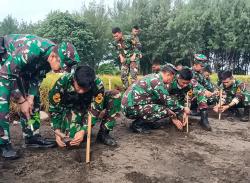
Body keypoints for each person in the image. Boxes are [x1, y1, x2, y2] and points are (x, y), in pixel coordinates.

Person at [0, 34, 80, 159]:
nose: (62, 71)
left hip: (19, 70)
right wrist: (21, 101)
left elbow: (36, 77)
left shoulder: (49, 57)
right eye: (61, 66)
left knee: (34, 101)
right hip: (4, 63)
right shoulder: (31, 50)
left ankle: (31, 136)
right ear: (54, 57)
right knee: (2, 100)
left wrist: (30, 97)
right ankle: (3, 144)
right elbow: (6, 74)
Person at [49, 65, 121, 147]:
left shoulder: (97, 83)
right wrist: (57, 132)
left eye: (85, 88)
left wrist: (83, 130)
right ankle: (74, 127)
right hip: (73, 108)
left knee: (115, 95)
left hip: (89, 105)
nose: (81, 92)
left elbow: (96, 109)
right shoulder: (62, 82)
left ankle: (103, 133)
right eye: (79, 87)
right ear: (74, 79)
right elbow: (54, 109)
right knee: (71, 139)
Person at [121, 64, 189, 133]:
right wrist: (183, 109)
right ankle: (137, 125)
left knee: (160, 104)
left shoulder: (153, 77)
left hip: (131, 106)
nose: (172, 80)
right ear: (168, 74)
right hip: (130, 109)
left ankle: (146, 122)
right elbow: (169, 102)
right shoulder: (157, 82)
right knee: (164, 110)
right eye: (172, 77)